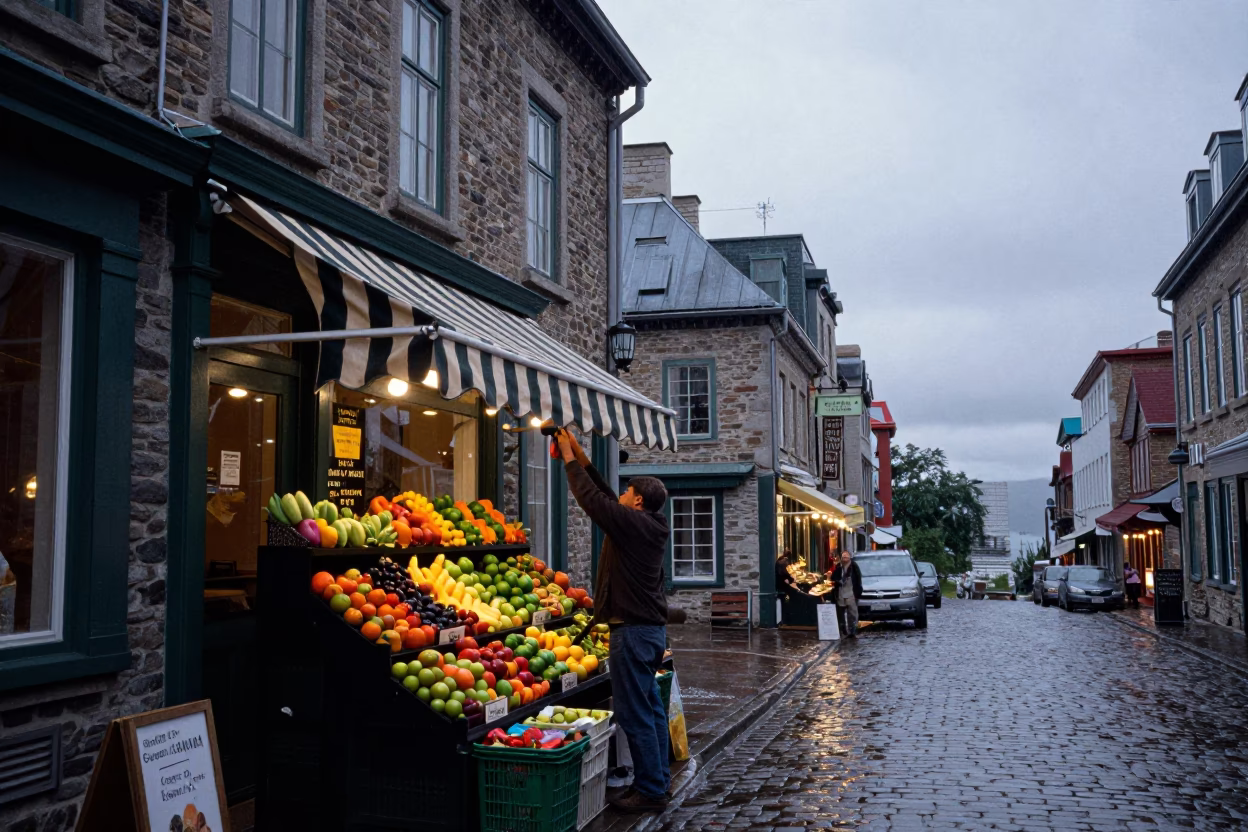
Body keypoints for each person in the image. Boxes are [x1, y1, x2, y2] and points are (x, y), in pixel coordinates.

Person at [554, 427, 672, 813]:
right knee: (650, 709)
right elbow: (606, 495)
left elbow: (593, 501)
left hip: (633, 633)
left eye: (627, 492)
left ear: (637, 500)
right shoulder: (647, 524)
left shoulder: (633, 526)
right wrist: (580, 454)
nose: (620, 495)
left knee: (635, 714)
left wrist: (569, 460)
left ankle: (651, 791)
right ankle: (658, 781)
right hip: (650, 632)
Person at [828, 550, 862, 638]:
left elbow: (858, 579)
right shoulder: (838, 567)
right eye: (843, 557)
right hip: (841, 592)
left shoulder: (854, 567)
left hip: (851, 592)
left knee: (852, 613)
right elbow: (833, 578)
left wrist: (858, 592)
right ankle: (843, 630)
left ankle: (852, 631)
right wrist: (836, 581)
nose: (845, 559)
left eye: (846, 557)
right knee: (841, 613)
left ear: (849, 558)